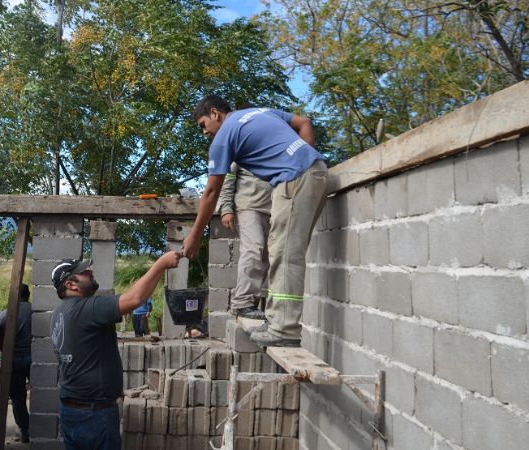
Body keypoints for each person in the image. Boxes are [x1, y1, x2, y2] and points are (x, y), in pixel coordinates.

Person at [181, 95, 327, 347]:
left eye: (203, 124)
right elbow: (303, 121)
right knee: (285, 252)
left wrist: (194, 236)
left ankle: (284, 329)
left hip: (294, 181)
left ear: (215, 113)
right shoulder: (260, 112)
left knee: (284, 255)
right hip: (317, 171)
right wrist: (304, 159)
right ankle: (278, 322)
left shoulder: (223, 136)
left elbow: (211, 192)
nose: (204, 132)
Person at [50, 252, 182, 449]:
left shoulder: (58, 313)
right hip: (94, 414)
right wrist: (161, 264)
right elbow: (135, 298)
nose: (90, 272)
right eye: (84, 272)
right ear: (71, 284)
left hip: (71, 409)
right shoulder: (88, 309)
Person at [218, 161, 272, 320]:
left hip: (272, 209)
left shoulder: (274, 147)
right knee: (253, 249)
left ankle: (251, 302)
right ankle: (241, 302)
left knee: (265, 258)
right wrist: (226, 209)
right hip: (248, 207)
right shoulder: (242, 148)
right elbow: (227, 180)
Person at [0, 283, 33, 443]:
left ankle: (24, 431)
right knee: (38, 394)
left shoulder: (5, 314)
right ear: (28, 295)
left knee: (17, 397)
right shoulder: (36, 312)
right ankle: (41, 428)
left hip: (13, 359)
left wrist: (7, 353)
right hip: (34, 357)